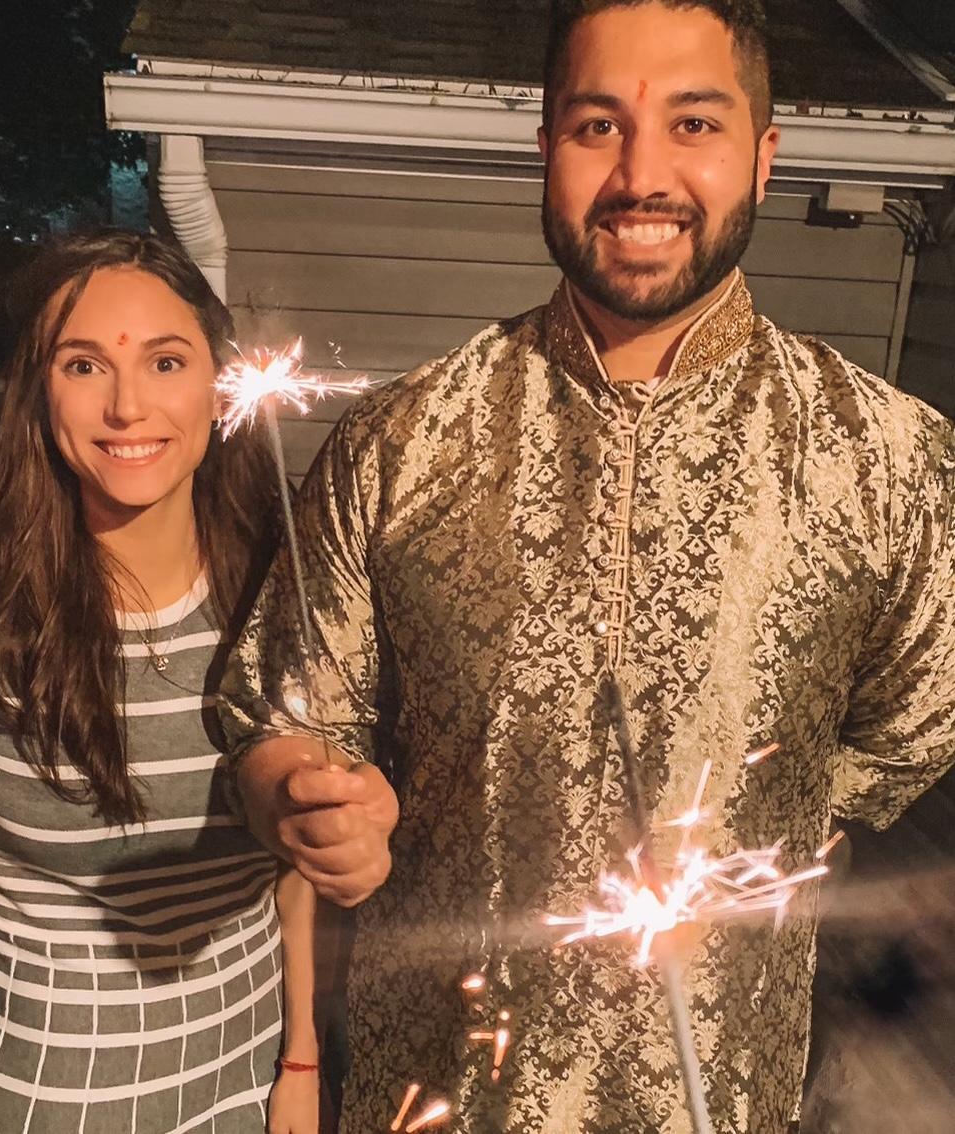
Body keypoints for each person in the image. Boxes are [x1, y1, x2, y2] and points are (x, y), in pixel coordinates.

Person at [218, 2, 955, 1132]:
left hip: (722, 1096)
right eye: (598, 125)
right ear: (546, 148)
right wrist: (301, 801)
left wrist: (770, 817)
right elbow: (287, 714)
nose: (642, 175)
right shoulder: (402, 440)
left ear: (764, 154)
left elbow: (910, 729)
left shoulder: (889, 459)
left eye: (694, 124)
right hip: (441, 1094)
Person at [0, 230, 320, 1134]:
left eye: (166, 362)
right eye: (84, 365)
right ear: (40, 392)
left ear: (217, 383)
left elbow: (294, 864)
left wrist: (301, 1059)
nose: (128, 405)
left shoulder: (282, 592)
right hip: (55, 1086)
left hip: (247, 1069)